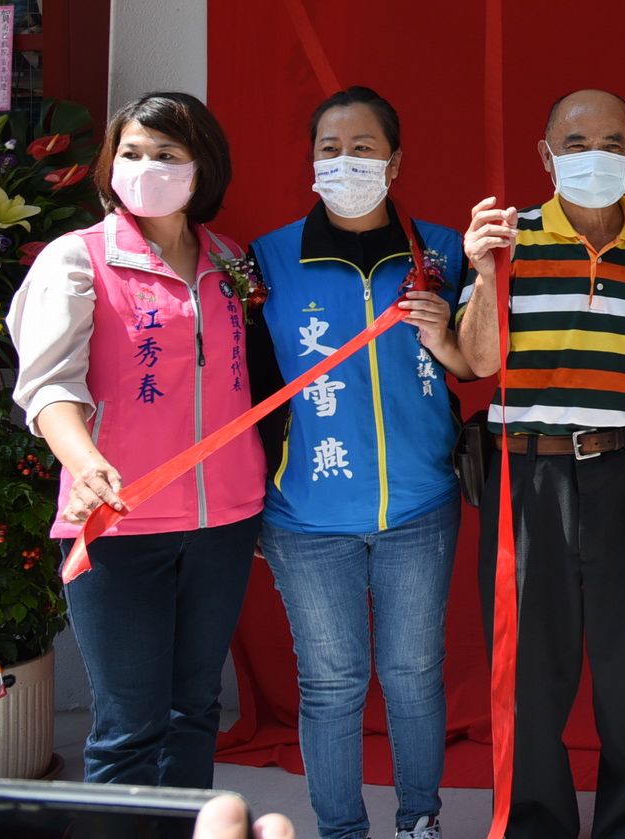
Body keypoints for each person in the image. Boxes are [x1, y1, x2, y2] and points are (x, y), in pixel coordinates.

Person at [455, 88, 625, 839]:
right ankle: (536, 827)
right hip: (528, 475)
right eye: (576, 140)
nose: (594, 154)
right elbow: (475, 360)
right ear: (546, 154)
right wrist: (482, 269)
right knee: (529, 670)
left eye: (612, 140)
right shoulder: (510, 236)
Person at [8, 92, 263, 787]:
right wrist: (85, 462)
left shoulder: (231, 261)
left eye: (167, 154)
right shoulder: (76, 259)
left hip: (224, 521)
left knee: (194, 711)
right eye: (132, 152)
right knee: (129, 726)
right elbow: (48, 384)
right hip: (121, 520)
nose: (146, 166)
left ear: (201, 167)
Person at [244, 87, 471, 839]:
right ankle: (340, 830)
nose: (347, 162)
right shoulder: (269, 260)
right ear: (311, 162)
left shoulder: (442, 252)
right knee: (332, 682)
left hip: (419, 504)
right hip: (306, 518)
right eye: (330, 149)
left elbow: (476, 365)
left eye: (364, 147)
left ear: (396, 160)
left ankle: (419, 820)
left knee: (413, 674)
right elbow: (250, 387)